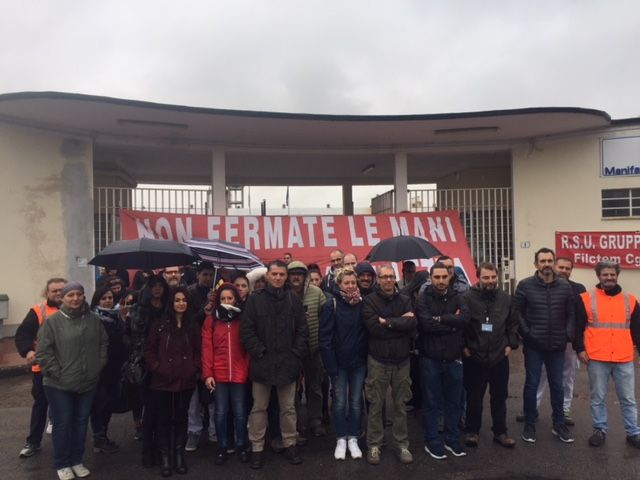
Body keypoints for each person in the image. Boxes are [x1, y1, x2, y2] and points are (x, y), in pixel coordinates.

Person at [36, 282, 108, 480]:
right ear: (63, 298)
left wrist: (98, 365)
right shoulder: (53, 322)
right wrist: (57, 373)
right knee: (63, 423)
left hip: (88, 382)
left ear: (84, 296)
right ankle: (62, 463)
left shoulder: (93, 319)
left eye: (79, 294)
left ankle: (76, 460)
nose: (75, 298)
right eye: (70, 295)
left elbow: (103, 342)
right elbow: (43, 352)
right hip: (58, 385)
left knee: (81, 422)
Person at [241, 260, 309, 469]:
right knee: (259, 408)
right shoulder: (255, 299)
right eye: (275, 274)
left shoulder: (293, 299)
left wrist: (295, 354)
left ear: (286, 276)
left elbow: (302, 330)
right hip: (262, 364)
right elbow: (247, 330)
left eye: (282, 274)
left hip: (287, 364)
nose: (278, 278)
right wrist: (259, 352)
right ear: (268, 276)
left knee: (288, 408)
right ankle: (257, 447)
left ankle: (290, 443)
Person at [574, 261, 640, 448]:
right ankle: (599, 430)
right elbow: (577, 327)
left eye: (612, 274)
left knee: (628, 399)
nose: (609, 277)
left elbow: (637, 330)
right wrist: (579, 349)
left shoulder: (631, 300)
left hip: (623, 358)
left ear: (617, 275)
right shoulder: (586, 299)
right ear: (599, 276)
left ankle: (633, 433)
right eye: (605, 274)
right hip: (597, 357)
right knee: (598, 398)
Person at [513, 247, 575, 444]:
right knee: (532, 385)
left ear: (554, 263)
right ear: (536, 264)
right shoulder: (525, 285)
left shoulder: (564, 286)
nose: (546, 264)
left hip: (557, 345)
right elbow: (517, 312)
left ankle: (559, 424)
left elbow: (571, 313)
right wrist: (527, 333)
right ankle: (530, 424)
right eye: (543, 261)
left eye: (549, 261)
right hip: (534, 345)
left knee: (558, 386)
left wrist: (567, 334)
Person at [521, 257, 586, 426]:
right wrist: (528, 334)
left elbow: (578, 316)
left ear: (571, 270)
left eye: (567, 268)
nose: (564, 270)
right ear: (554, 267)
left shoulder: (579, 289)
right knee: (539, 376)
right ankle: (532, 408)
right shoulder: (537, 285)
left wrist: (572, 337)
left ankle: (564, 410)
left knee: (567, 377)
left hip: (568, 342)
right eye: (561, 267)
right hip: (542, 340)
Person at [362, 265, 416, 465]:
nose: (388, 280)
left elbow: (412, 324)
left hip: (402, 361)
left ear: (395, 278)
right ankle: (374, 445)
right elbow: (374, 329)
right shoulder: (369, 301)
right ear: (378, 279)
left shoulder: (405, 299)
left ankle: (402, 444)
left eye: (391, 276)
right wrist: (399, 322)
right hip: (378, 360)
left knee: (400, 406)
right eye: (384, 277)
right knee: (376, 405)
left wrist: (388, 322)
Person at [145, 287, 201, 476]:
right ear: (171, 302)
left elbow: (198, 351)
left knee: (181, 419)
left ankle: (178, 455)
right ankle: (165, 457)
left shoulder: (192, 325)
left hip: (185, 380)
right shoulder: (160, 325)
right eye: (177, 300)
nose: (181, 303)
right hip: (162, 381)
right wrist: (157, 367)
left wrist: (193, 368)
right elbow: (150, 350)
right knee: (163, 420)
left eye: (184, 300)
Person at [416, 262, 470, 459]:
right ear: (430, 278)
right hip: (431, 358)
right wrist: (451, 322)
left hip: (454, 358)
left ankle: (452, 439)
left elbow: (465, 320)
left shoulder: (459, 297)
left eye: (444, 277)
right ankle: (432, 441)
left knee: (454, 401)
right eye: (436, 277)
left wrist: (440, 319)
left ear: (450, 277)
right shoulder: (422, 298)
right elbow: (427, 325)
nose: (440, 281)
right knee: (431, 402)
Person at [462, 263, 518, 449]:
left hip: (499, 356)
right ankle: (472, 431)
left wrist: (511, 344)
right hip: (475, 356)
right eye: (486, 278)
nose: (490, 281)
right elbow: (462, 325)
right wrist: (464, 347)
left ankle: (500, 432)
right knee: (474, 397)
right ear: (478, 278)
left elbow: (513, 324)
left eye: (493, 277)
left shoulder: (505, 298)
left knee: (499, 397)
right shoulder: (467, 298)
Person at [319, 268, 368, 460]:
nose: (350, 286)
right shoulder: (332, 304)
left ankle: (353, 437)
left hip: (358, 362)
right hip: (338, 363)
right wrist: (330, 365)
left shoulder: (363, 304)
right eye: (346, 283)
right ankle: (340, 438)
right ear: (339, 284)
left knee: (355, 402)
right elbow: (325, 337)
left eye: (353, 282)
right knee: (339, 403)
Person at [15, 277, 67, 458]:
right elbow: (23, 334)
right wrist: (28, 351)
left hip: (69, 368)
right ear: (47, 293)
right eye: (54, 291)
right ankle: (33, 442)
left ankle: (68, 442)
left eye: (62, 290)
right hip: (44, 369)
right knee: (41, 405)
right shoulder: (38, 311)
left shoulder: (76, 309)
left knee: (68, 406)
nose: (58, 293)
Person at [202, 283, 251, 464]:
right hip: (219, 373)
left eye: (230, 298)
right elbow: (207, 349)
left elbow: (248, 347)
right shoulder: (212, 320)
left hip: (239, 373)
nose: (226, 301)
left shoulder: (243, 319)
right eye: (223, 298)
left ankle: (241, 445)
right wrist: (208, 374)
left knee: (240, 412)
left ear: (236, 299)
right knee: (221, 412)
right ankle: (222, 446)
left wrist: (246, 368)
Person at [124, 274, 170, 466]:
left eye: (160, 285)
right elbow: (133, 336)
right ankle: (148, 451)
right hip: (146, 365)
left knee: (163, 409)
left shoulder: (168, 308)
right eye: (153, 286)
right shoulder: (138, 309)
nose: (157, 289)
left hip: (166, 363)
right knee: (150, 408)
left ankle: (161, 448)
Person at [287, 261, 328, 437]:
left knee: (314, 387)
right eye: (293, 274)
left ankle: (315, 420)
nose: (296, 277)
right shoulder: (284, 294)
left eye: (300, 274)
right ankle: (296, 424)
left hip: (313, 348)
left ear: (305, 276)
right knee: (292, 390)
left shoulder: (317, 293)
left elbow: (325, 319)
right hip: (291, 350)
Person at [89, 286, 128, 454]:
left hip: (115, 368)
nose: (107, 301)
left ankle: (102, 435)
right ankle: (99, 437)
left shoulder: (117, 315)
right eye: (104, 298)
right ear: (97, 300)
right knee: (99, 404)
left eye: (110, 298)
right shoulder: (93, 318)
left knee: (108, 404)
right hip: (100, 369)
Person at [185, 261, 217, 452]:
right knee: (193, 399)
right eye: (205, 274)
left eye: (210, 274)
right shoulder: (189, 293)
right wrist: (204, 308)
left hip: (211, 347)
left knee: (212, 395)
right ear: (197, 274)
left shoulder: (216, 292)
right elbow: (188, 320)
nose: (208, 278)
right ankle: (193, 432)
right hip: (192, 347)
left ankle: (214, 431)